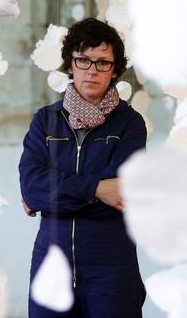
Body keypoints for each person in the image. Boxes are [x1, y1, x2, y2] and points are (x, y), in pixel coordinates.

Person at [19, 18, 147, 318]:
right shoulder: (45, 121)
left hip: (112, 265)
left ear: (114, 70)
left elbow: (121, 196)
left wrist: (56, 196)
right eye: (83, 60)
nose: (92, 70)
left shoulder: (129, 124)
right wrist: (96, 189)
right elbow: (33, 188)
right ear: (70, 65)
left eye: (103, 62)